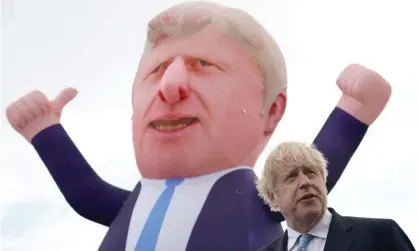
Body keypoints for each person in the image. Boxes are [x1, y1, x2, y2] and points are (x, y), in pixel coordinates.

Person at [5, 2, 392, 251]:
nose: (171, 86)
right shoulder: (140, 200)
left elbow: (304, 182)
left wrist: (353, 112)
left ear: (271, 111)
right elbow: (88, 195)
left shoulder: (252, 198)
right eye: (156, 70)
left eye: (203, 66)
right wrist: (46, 133)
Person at [257, 142, 415, 251]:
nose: (305, 182)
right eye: (291, 177)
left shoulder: (381, 235)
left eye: (311, 172)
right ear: (272, 197)